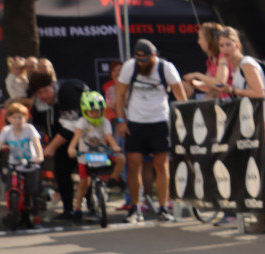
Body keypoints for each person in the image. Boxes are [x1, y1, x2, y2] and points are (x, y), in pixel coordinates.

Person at [113, 39, 187, 223]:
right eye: (139, 60)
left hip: (159, 121)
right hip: (136, 122)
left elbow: (180, 96)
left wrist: (182, 119)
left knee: (161, 165)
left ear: (153, 56)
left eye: (145, 60)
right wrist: (121, 120)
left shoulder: (166, 68)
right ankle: (135, 207)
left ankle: (163, 207)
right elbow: (120, 95)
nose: (142, 63)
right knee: (134, 164)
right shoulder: (130, 67)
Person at [24, 69, 88, 222]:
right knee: (61, 172)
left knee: (86, 171)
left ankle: (92, 206)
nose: (44, 96)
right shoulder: (39, 103)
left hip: (84, 135)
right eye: (39, 93)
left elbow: (72, 126)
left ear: (53, 85)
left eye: (46, 91)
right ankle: (68, 210)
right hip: (60, 138)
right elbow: (38, 126)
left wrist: (51, 146)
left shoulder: (68, 91)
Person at [67, 91, 125, 221]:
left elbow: (109, 137)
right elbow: (76, 137)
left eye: (98, 111)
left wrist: (115, 147)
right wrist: (71, 148)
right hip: (85, 156)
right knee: (83, 184)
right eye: (92, 111)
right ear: (85, 111)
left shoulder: (105, 122)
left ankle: (112, 181)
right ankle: (77, 208)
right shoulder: (82, 122)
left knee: (121, 159)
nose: (96, 114)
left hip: (101, 155)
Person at [0, 102, 44, 228]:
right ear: (8, 119)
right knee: (9, 187)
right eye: (14, 117)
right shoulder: (6, 130)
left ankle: (36, 216)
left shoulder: (29, 129)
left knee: (33, 190)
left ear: (26, 118)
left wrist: (39, 156)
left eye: (21, 117)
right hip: (14, 164)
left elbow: (37, 143)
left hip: (30, 164)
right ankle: (12, 212)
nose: (17, 120)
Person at [212, 27, 265, 100]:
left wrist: (232, 90)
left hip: (262, 110)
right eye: (221, 45)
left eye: (228, 44)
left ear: (237, 45)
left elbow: (260, 93)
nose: (225, 49)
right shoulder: (235, 67)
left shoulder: (246, 63)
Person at [182, 22, 226, 97]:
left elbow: (219, 83)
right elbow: (210, 86)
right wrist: (194, 83)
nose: (198, 42)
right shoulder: (211, 60)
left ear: (209, 39)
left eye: (200, 38)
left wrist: (197, 75)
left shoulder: (223, 57)